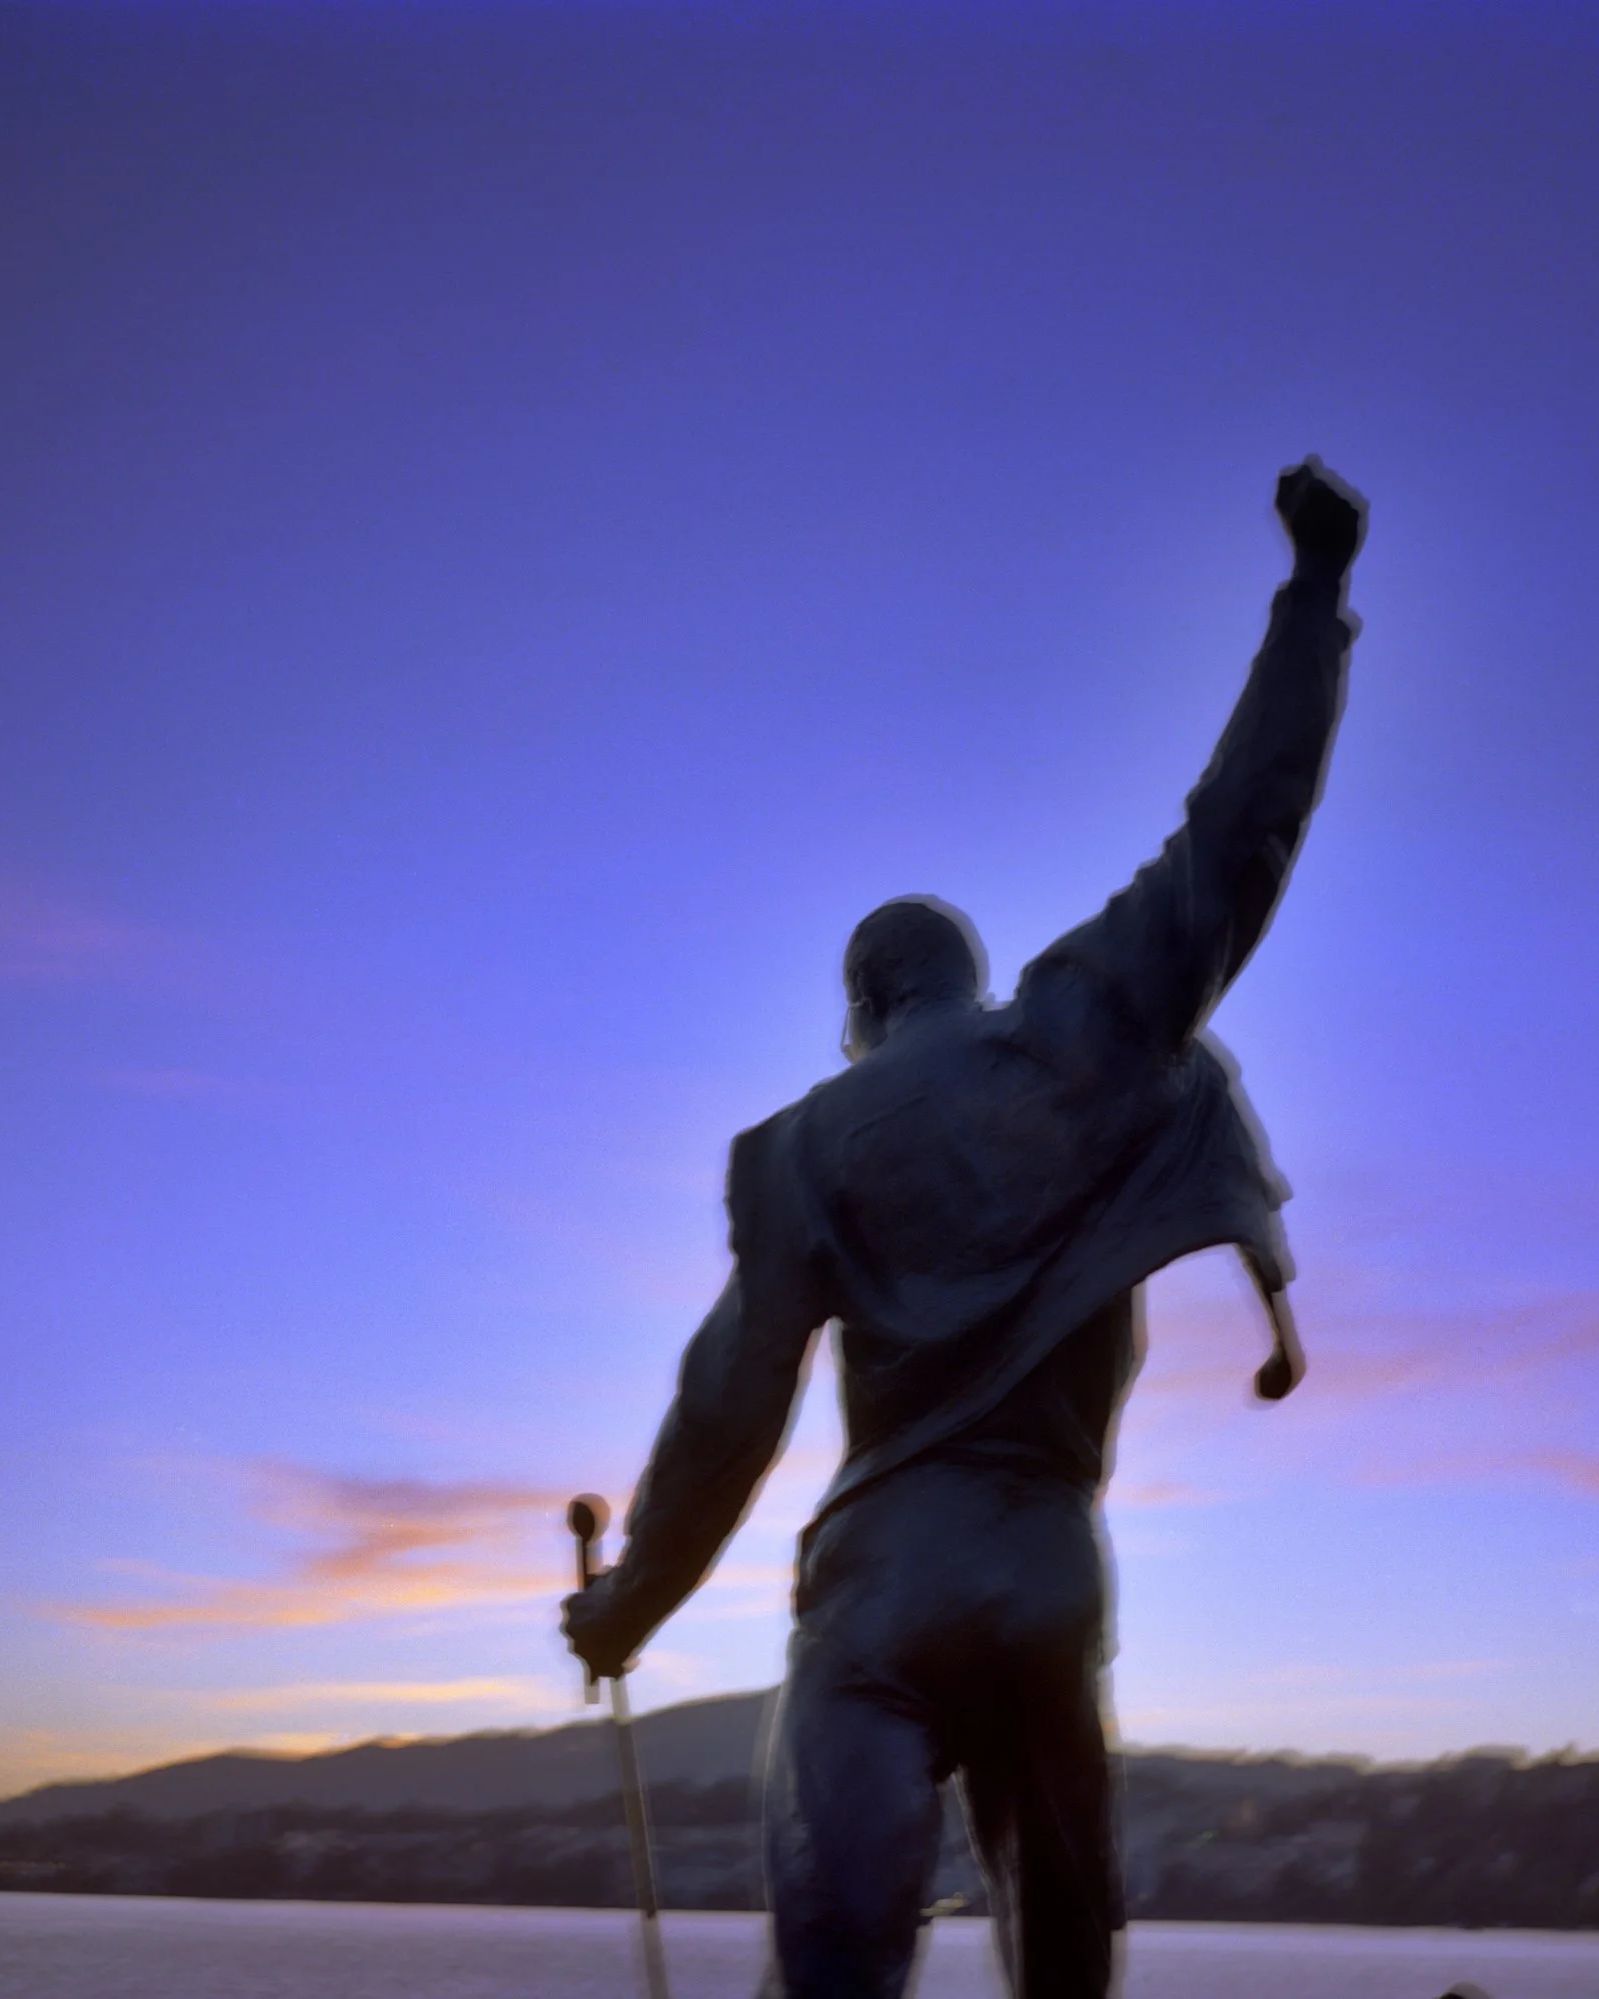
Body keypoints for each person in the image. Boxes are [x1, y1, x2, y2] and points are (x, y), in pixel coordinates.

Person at [562, 458, 1367, 1999]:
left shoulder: (807, 1141)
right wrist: (1316, 597)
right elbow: (1237, 840)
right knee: (1064, 1958)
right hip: (1056, 1573)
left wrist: (625, 1603)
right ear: (967, 979)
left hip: (885, 1584)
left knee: (841, 1958)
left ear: (862, 1010)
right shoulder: (1086, 1045)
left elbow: (733, 1399)